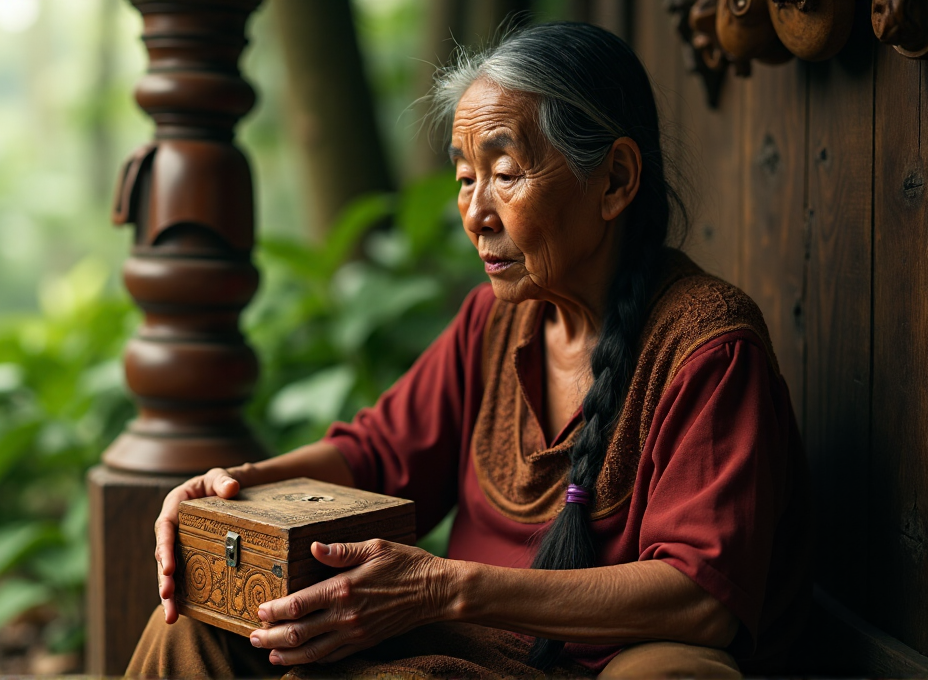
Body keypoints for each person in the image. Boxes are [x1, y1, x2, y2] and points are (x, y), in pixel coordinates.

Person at [129, 21, 810, 679]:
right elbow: (378, 457)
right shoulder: (493, 323)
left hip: (596, 660)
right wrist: (239, 487)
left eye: (505, 172)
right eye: (464, 178)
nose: (476, 212)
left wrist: (443, 589)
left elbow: (702, 597)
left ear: (615, 180)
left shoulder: (708, 346)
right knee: (193, 627)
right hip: (466, 639)